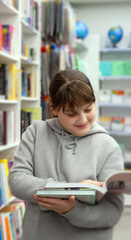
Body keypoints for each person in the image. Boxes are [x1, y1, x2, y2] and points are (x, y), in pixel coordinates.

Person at [8, 69, 124, 240]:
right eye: (72, 113)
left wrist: (71, 209)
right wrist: (69, 189)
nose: (83, 119)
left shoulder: (108, 147)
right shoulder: (35, 133)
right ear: (54, 109)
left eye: (88, 109)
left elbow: (111, 213)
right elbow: (17, 180)